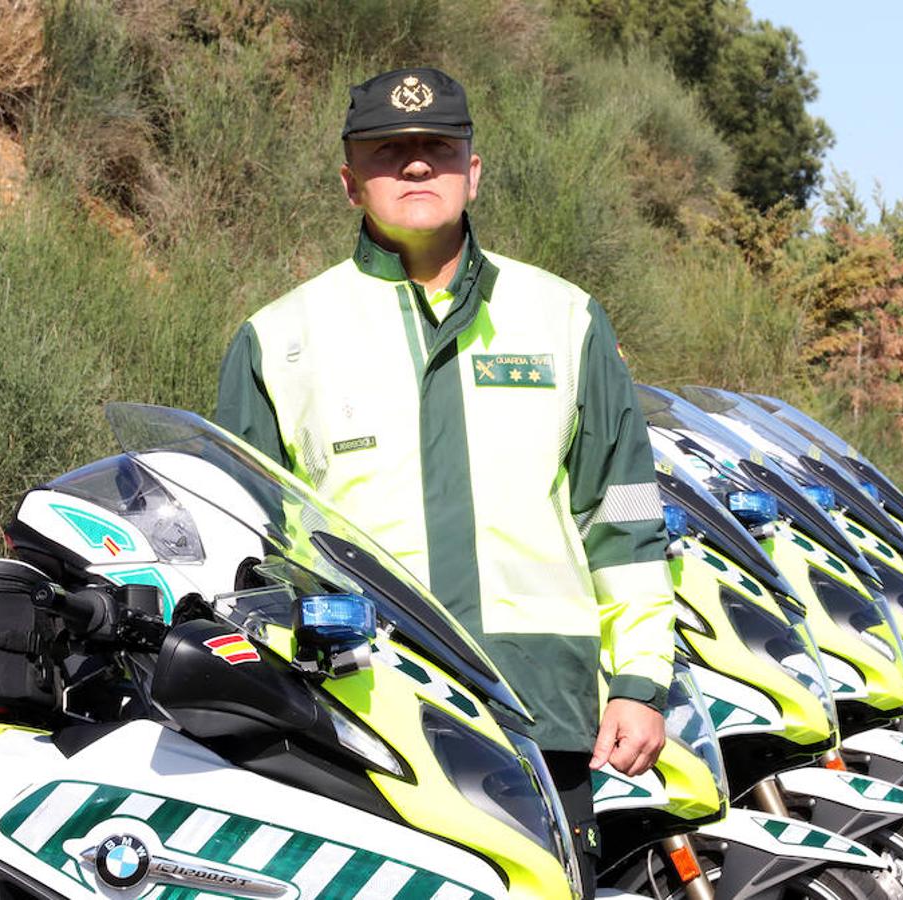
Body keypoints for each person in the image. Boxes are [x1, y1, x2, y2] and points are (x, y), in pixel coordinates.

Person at [216, 67, 674, 890]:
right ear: (349, 179)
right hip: (357, 704)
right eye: (390, 151)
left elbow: (627, 507)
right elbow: (241, 545)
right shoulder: (279, 337)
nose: (417, 165)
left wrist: (640, 680)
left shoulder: (564, 317)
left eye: (437, 148)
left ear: (474, 170)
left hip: (537, 700)